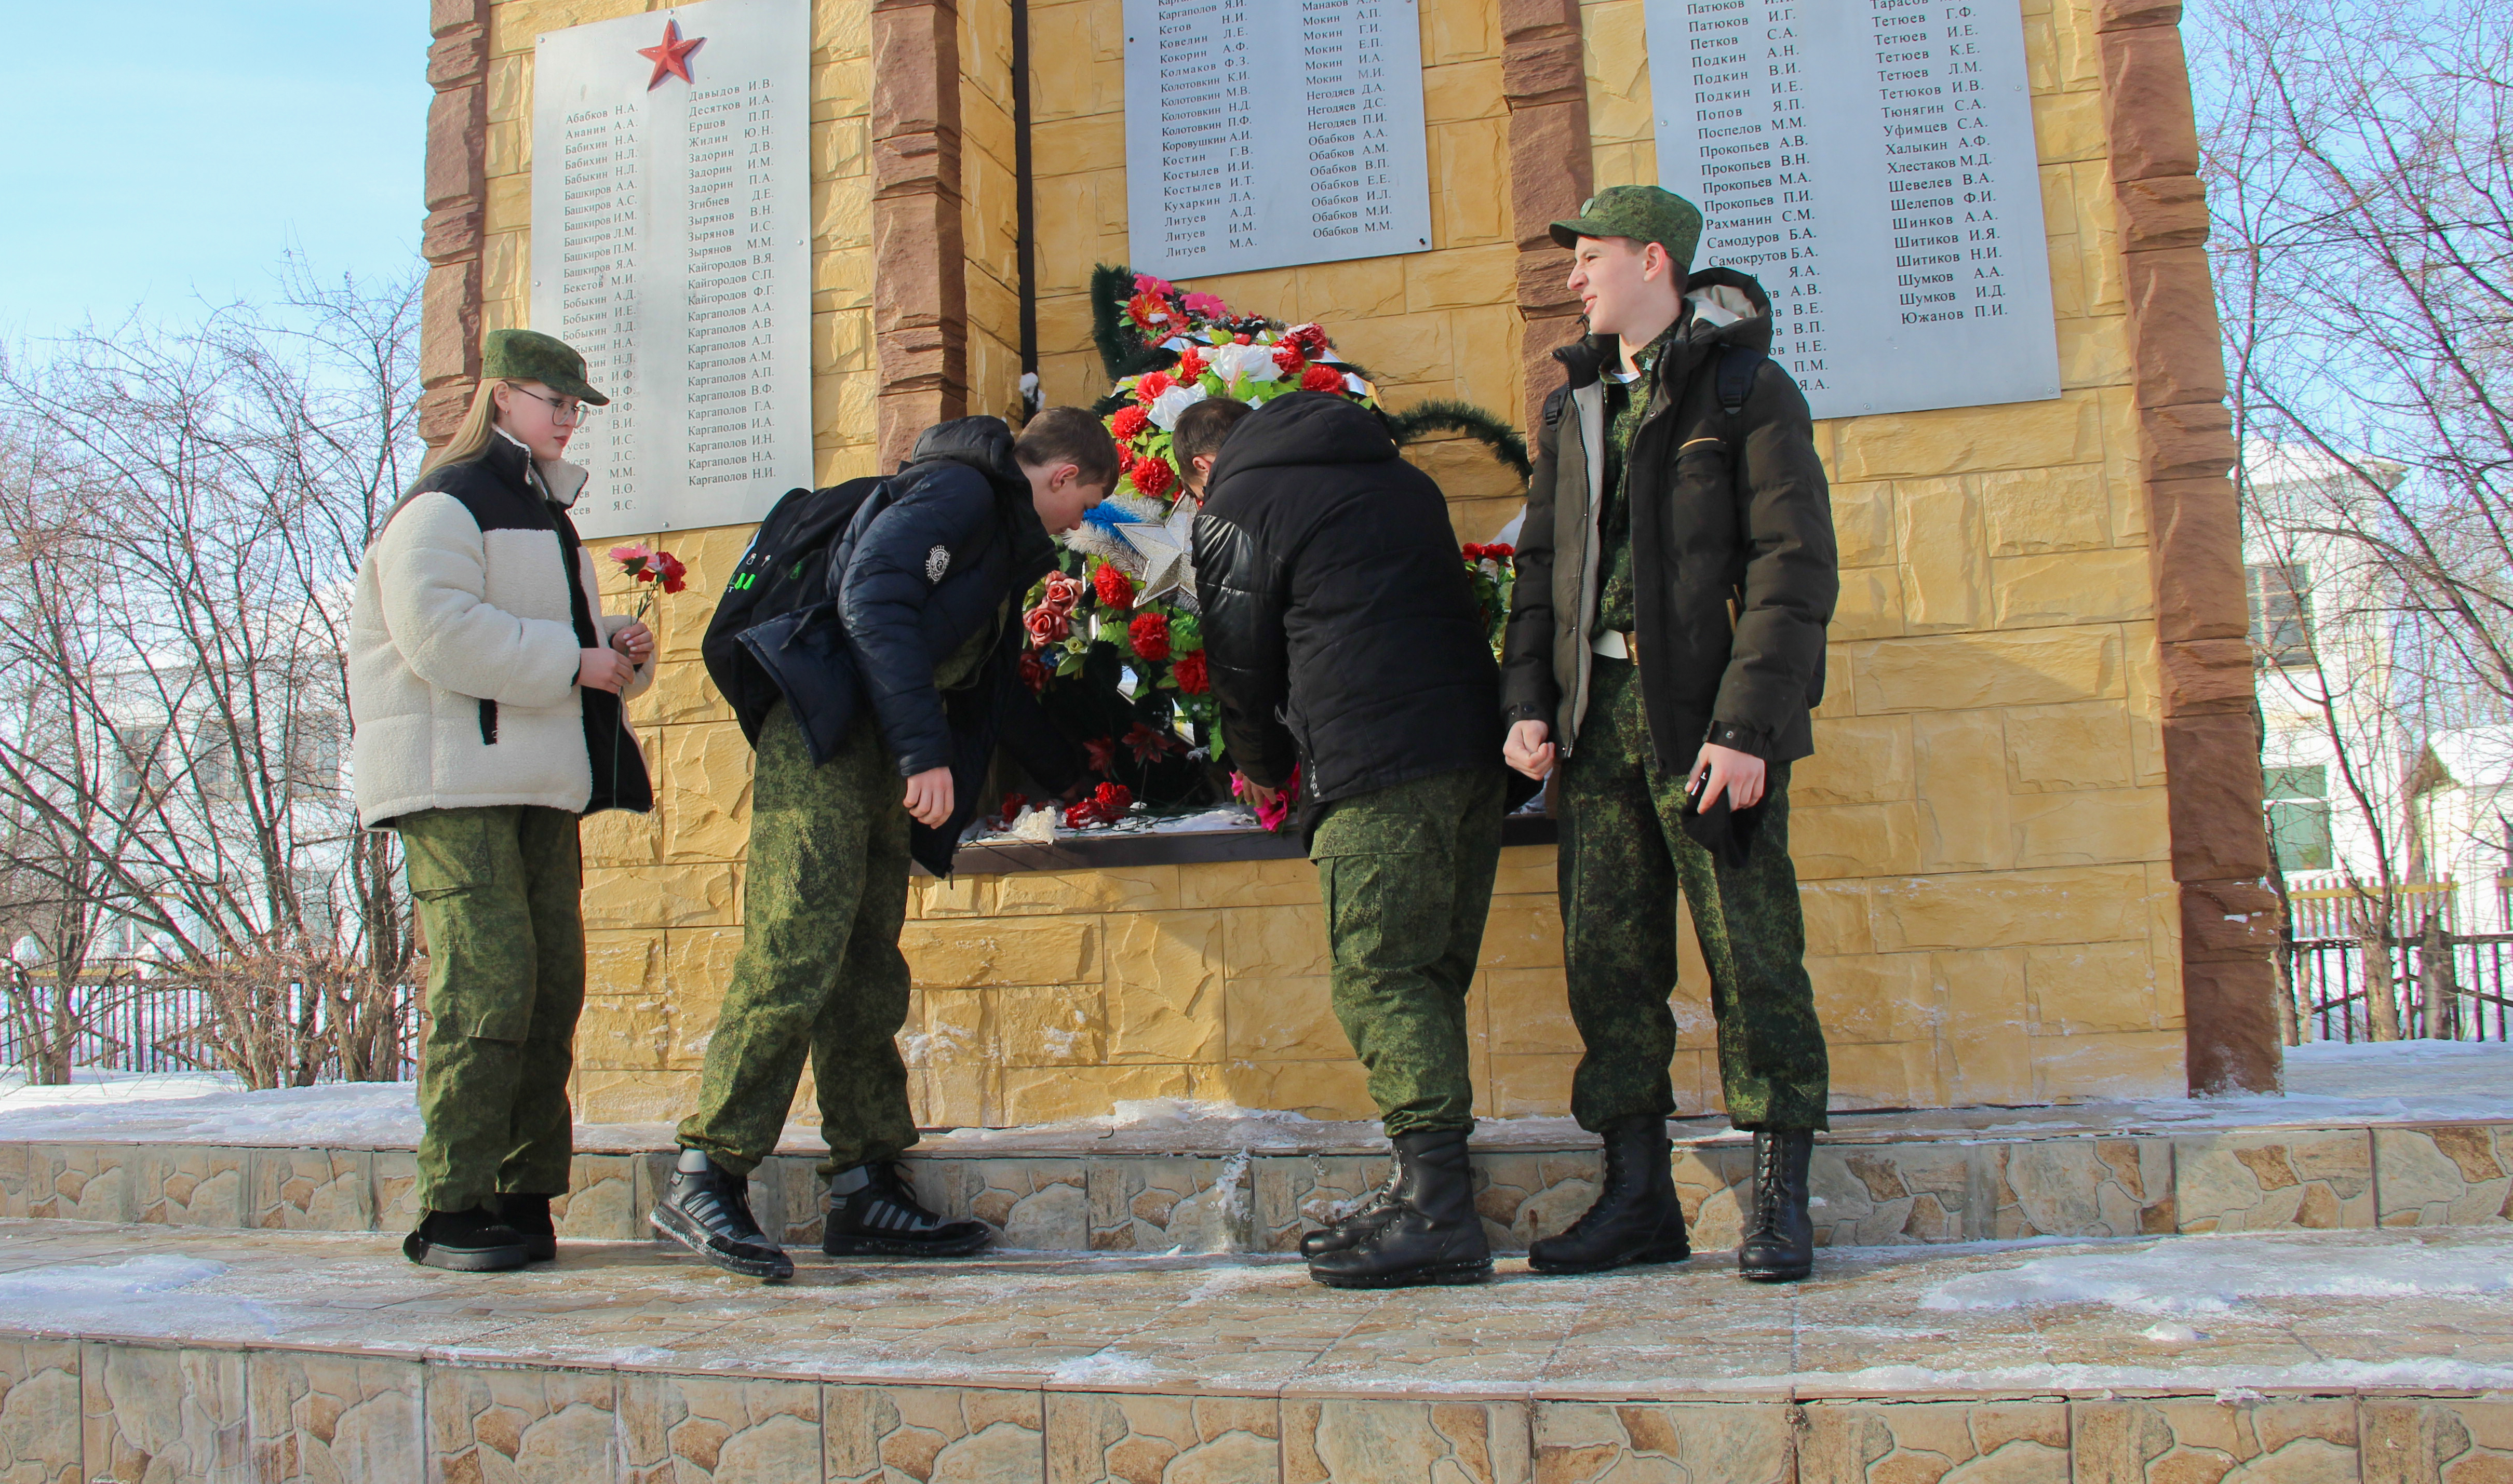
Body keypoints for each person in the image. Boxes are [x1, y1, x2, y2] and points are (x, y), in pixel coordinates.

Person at [652, 408, 1119, 1280]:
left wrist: (1088, 769)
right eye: (1085, 504)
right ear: (1062, 477)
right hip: (825, 732)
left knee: (866, 960)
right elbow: (871, 593)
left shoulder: (997, 536)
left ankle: (867, 1182)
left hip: (868, 741)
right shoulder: (959, 493)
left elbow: (986, 686)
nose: (1078, 525)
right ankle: (705, 1170)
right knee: (795, 947)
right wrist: (923, 751)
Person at [1500, 185, 1839, 1283]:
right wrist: (1527, 707)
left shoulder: (1745, 390)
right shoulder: (1577, 406)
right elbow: (1543, 574)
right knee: (1608, 961)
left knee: (1751, 953)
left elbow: (1793, 573)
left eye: (1590, 257)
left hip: (1706, 725)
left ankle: (1783, 1197)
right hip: (1595, 724)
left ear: (1655, 261)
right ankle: (1637, 1196)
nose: (1575, 278)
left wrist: (1749, 726)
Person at [1178, 392, 1512, 1290]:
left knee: (1382, 978)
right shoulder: (1403, 480)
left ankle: (1442, 1215)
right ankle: (1422, 1193)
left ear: (1203, 469)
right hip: (1476, 757)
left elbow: (1241, 664)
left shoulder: (1238, 507)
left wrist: (1260, 767)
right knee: (1428, 971)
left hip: (1374, 764)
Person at [349, 328, 659, 1273]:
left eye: (576, 406)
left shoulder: (545, 515)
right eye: (554, 402)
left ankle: (523, 1198)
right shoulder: (441, 507)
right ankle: (451, 1205)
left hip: (537, 780)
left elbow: (544, 637)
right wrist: (577, 658)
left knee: (549, 984)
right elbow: (441, 636)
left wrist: (612, 646)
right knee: (487, 987)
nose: (569, 420)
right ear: (503, 399)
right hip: (457, 784)